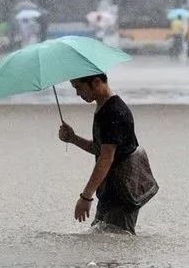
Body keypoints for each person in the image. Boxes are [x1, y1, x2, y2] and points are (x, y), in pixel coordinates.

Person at [58, 74, 142, 234]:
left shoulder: (113, 112)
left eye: (78, 87)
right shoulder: (104, 109)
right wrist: (73, 139)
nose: (77, 94)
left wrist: (86, 197)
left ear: (96, 82)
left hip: (121, 194)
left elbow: (106, 158)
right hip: (109, 191)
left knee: (116, 248)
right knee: (105, 244)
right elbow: (100, 149)